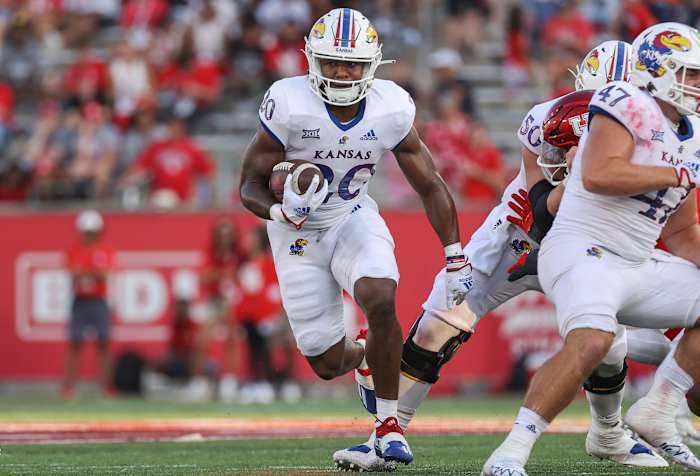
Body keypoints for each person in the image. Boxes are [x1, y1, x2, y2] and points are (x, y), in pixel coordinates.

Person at [333, 40, 665, 472]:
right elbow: (542, 201)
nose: (593, 117)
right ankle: (385, 434)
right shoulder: (547, 121)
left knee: (607, 341)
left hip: (593, 245)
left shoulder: (660, 138)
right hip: (518, 236)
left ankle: (608, 433)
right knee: (439, 325)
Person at [239, 8, 473, 466]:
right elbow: (247, 184)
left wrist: (455, 254)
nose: (343, 72)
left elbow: (430, 184)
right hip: (295, 233)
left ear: (372, 65)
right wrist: (279, 211)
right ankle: (367, 355)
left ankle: (388, 425)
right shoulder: (288, 102)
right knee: (326, 363)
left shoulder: (390, 105)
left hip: (351, 215)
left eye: (351, 64)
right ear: (312, 60)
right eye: (332, 62)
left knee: (381, 296)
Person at [482, 22, 700, 475]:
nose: (697, 84)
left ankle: (659, 407)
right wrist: (674, 174)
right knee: (595, 340)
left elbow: (682, 230)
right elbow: (599, 173)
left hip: (638, 260)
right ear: (659, 71)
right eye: (690, 74)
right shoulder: (625, 104)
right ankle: (510, 453)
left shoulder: (693, 132)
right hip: (583, 248)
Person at [62, 210, 115, 399]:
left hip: (99, 301)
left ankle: (106, 387)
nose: (90, 236)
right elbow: (73, 273)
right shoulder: (75, 250)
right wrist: (92, 272)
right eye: (88, 232)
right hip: (81, 301)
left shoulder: (104, 249)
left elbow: (105, 274)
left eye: (93, 232)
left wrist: (86, 272)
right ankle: (69, 387)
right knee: (75, 343)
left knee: (104, 344)